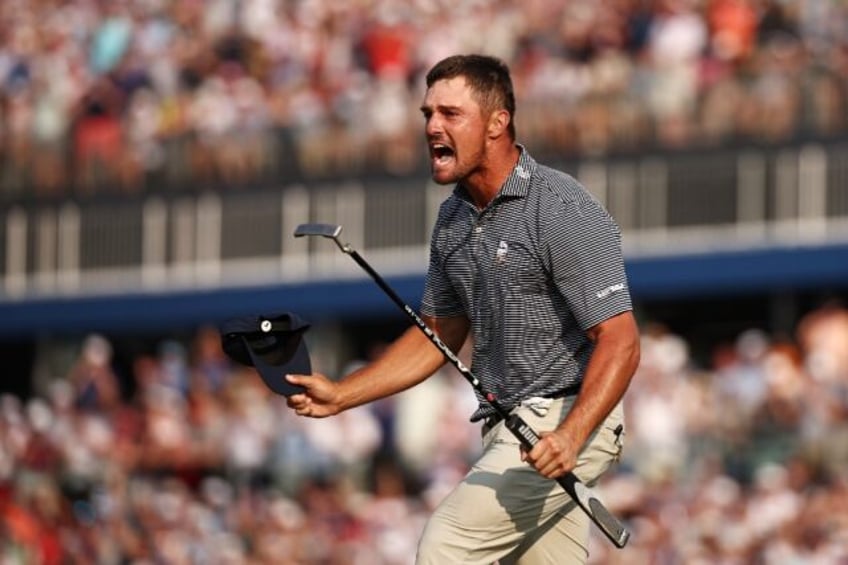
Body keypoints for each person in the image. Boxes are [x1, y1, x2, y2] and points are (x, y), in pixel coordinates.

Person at [286, 54, 641, 564]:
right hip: (510, 433)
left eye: (451, 114)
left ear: (498, 123)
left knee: (444, 546)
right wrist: (343, 394)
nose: (432, 126)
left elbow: (621, 340)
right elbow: (439, 334)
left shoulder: (561, 207)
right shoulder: (453, 217)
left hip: (568, 420)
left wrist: (572, 434)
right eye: (427, 114)